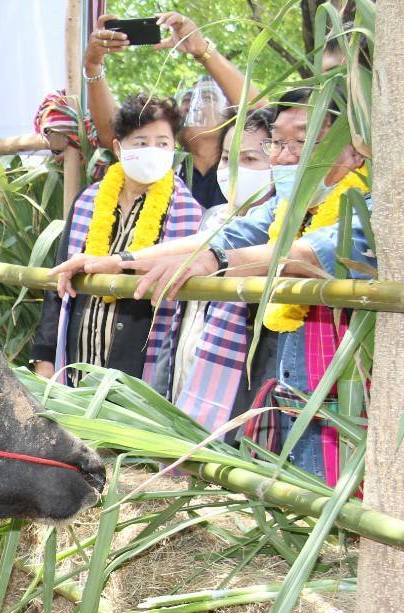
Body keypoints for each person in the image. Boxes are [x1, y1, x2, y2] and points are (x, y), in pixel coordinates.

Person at [51, 88, 371, 484]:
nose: (286, 157)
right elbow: (222, 236)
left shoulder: (373, 205)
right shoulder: (288, 208)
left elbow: (302, 255)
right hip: (296, 392)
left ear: (354, 149)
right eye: (278, 143)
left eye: (303, 142)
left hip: (354, 406)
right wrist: (120, 261)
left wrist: (214, 261)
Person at [31, 94, 202, 388]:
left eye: (162, 143)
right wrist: (45, 358)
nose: (153, 151)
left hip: (138, 377)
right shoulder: (89, 200)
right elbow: (59, 280)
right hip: (75, 368)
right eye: (141, 142)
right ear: (118, 148)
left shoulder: (189, 214)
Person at [85, 11, 263, 210]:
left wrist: (201, 50)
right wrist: (93, 65)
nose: (192, 104)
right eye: (187, 99)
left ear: (230, 114)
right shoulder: (161, 165)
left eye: (206, 97)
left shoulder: (245, 168)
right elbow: (114, 132)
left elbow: (261, 114)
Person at [169, 106, 276, 433]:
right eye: (228, 158)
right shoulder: (210, 218)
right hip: (189, 381)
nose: (234, 170)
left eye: (251, 160)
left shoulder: (283, 227)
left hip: (246, 403)